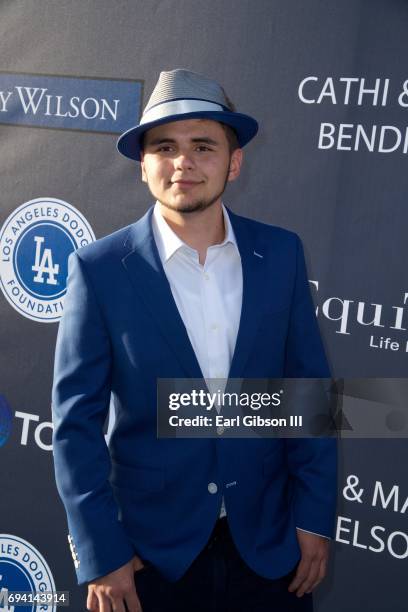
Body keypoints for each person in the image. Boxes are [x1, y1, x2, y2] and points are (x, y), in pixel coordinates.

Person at [52, 69, 337, 612]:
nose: (183, 161)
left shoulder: (280, 255)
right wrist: (102, 553)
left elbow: (309, 395)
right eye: (165, 146)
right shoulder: (100, 270)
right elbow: (75, 425)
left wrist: (314, 518)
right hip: (149, 560)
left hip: (269, 551)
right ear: (144, 165)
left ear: (233, 162)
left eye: (203, 145)